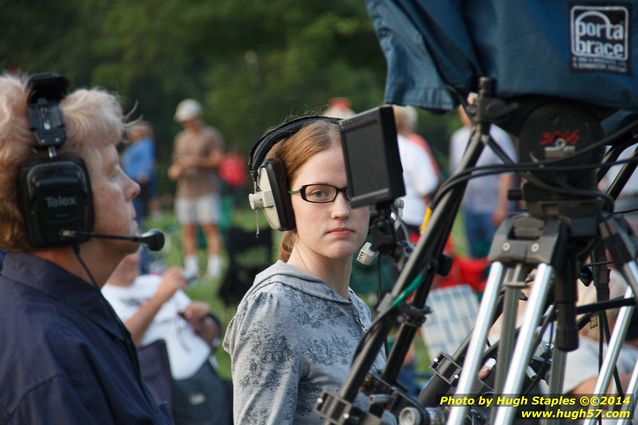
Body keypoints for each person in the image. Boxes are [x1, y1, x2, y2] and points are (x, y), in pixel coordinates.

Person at [0, 72, 171, 423]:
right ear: (58, 203)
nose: (132, 188)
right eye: (112, 174)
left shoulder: (67, 308)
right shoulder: (54, 359)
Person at [223, 118, 394, 425]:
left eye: (354, 192)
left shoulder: (356, 306)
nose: (341, 210)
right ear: (281, 206)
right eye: (318, 193)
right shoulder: (275, 307)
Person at [102, 253, 232, 425]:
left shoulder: (154, 283)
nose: (132, 259)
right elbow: (123, 342)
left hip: (208, 380)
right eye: (123, 254)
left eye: (134, 252)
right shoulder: (103, 297)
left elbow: (211, 339)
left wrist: (201, 320)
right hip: (166, 397)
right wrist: (159, 298)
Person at [449, 105, 517, 258]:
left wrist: (502, 206)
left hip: (493, 207)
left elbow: (507, 173)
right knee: (475, 254)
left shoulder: (498, 136)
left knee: (498, 252)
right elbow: (456, 172)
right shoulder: (457, 138)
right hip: (470, 208)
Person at [168, 99, 224, 279]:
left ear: (197, 117)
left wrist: (196, 162)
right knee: (188, 229)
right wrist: (175, 171)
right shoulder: (180, 138)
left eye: (188, 119)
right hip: (185, 191)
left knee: (210, 228)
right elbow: (176, 163)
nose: (186, 123)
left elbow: (218, 160)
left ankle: (214, 269)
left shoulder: (210, 135)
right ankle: (191, 269)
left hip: (206, 189)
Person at [392, 105, 439, 243]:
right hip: (411, 216)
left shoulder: (377, 147)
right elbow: (427, 186)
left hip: (383, 218)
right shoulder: (413, 149)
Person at [123, 120, 158, 225]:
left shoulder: (145, 144)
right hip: (132, 178)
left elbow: (148, 160)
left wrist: (144, 173)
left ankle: (147, 223)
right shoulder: (133, 146)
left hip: (141, 178)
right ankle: (140, 223)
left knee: (143, 202)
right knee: (137, 204)